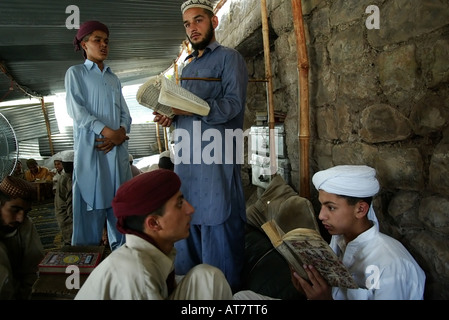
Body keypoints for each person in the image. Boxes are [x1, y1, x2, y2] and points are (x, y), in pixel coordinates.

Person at [153, 0, 248, 292]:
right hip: (186, 165)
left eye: (198, 21)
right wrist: (171, 116)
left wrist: (187, 110)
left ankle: (224, 294)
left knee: (218, 232)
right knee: (188, 228)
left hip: (215, 163)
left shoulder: (230, 59)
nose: (192, 28)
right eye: (187, 24)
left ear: (213, 22)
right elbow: (185, 111)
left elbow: (232, 105)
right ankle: (191, 294)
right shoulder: (186, 64)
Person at [234, 165, 426, 300]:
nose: (321, 216)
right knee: (242, 298)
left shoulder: (392, 264)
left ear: (360, 209)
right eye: (322, 206)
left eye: (331, 208)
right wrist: (304, 288)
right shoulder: (339, 240)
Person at [75, 169, 233, 300]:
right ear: (154, 224)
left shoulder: (150, 254)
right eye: (179, 204)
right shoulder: (137, 275)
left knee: (207, 278)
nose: (190, 209)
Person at [65, 20, 132, 251]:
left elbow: (125, 113)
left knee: (121, 217)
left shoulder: (114, 78)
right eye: (97, 40)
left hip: (117, 155)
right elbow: (77, 111)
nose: (103, 45)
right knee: (88, 222)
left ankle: (122, 270)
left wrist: (121, 133)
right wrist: (108, 133)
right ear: (84, 44)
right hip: (92, 154)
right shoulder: (76, 73)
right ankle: (85, 276)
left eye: (106, 41)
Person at [0, 175, 44, 299]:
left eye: (25, 212)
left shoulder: (25, 224)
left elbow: (34, 268)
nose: (20, 218)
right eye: (15, 210)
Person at [54, 150, 74, 246]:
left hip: (62, 213)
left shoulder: (65, 176)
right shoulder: (69, 179)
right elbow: (71, 210)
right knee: (72, 241)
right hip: (66, 216)